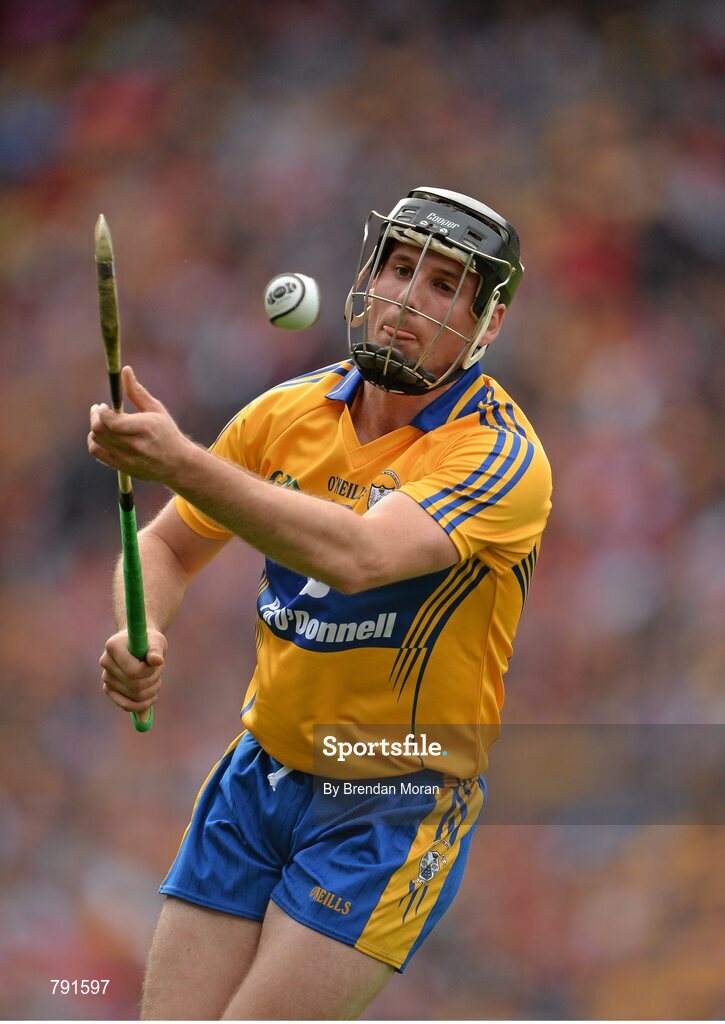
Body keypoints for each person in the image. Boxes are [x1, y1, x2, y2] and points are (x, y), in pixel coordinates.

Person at [88, 186, 552, 1020]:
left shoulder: (499, 455)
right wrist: (140, 626)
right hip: (255, 778)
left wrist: (183, 461)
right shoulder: (287, 412)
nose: (409, 298)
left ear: (488, 323)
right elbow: (165, 545)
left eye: (445, 285)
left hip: (390, 804)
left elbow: (360, 555)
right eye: (400, 268)